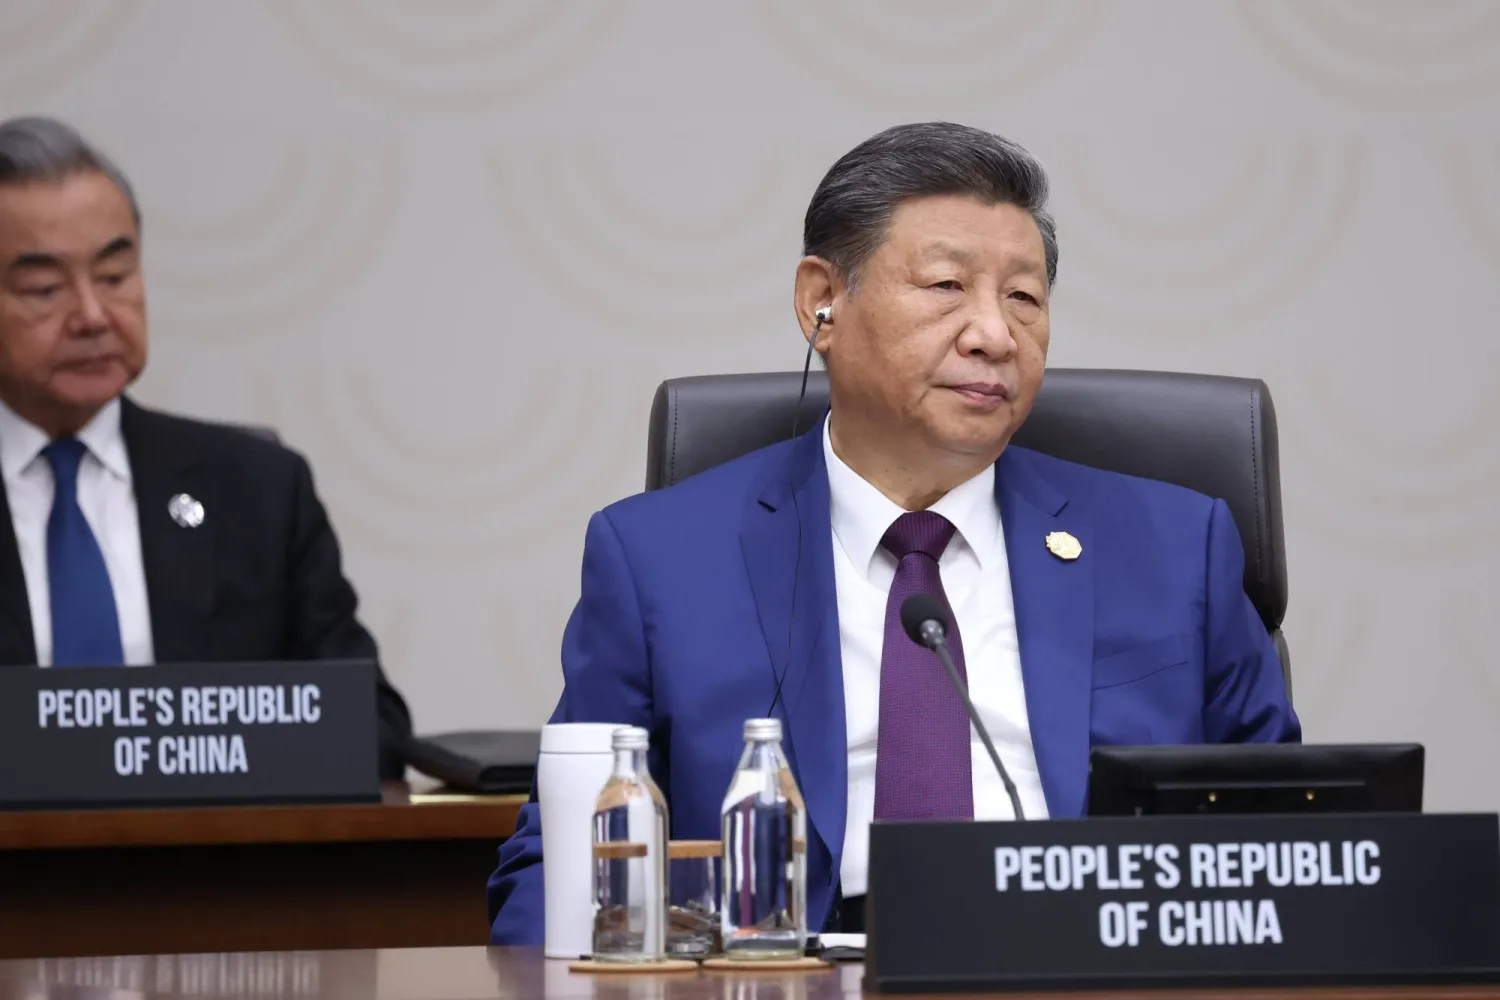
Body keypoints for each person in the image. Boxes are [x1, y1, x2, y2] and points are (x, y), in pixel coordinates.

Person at [486, 122, 1299, 941]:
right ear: (821, 304)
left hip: (1082, 969)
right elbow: (558, 869)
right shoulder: (659, 560)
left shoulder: (1175, 548)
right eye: (947, 285)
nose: (995, 335)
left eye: (1024, 298)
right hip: (785, 975)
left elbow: (1288, 845)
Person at [0, 116, 412, 779]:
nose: (93, 316)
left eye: (115, 274)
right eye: (44, 290)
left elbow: (371, 725)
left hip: (210, 848)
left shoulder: (257, 491)